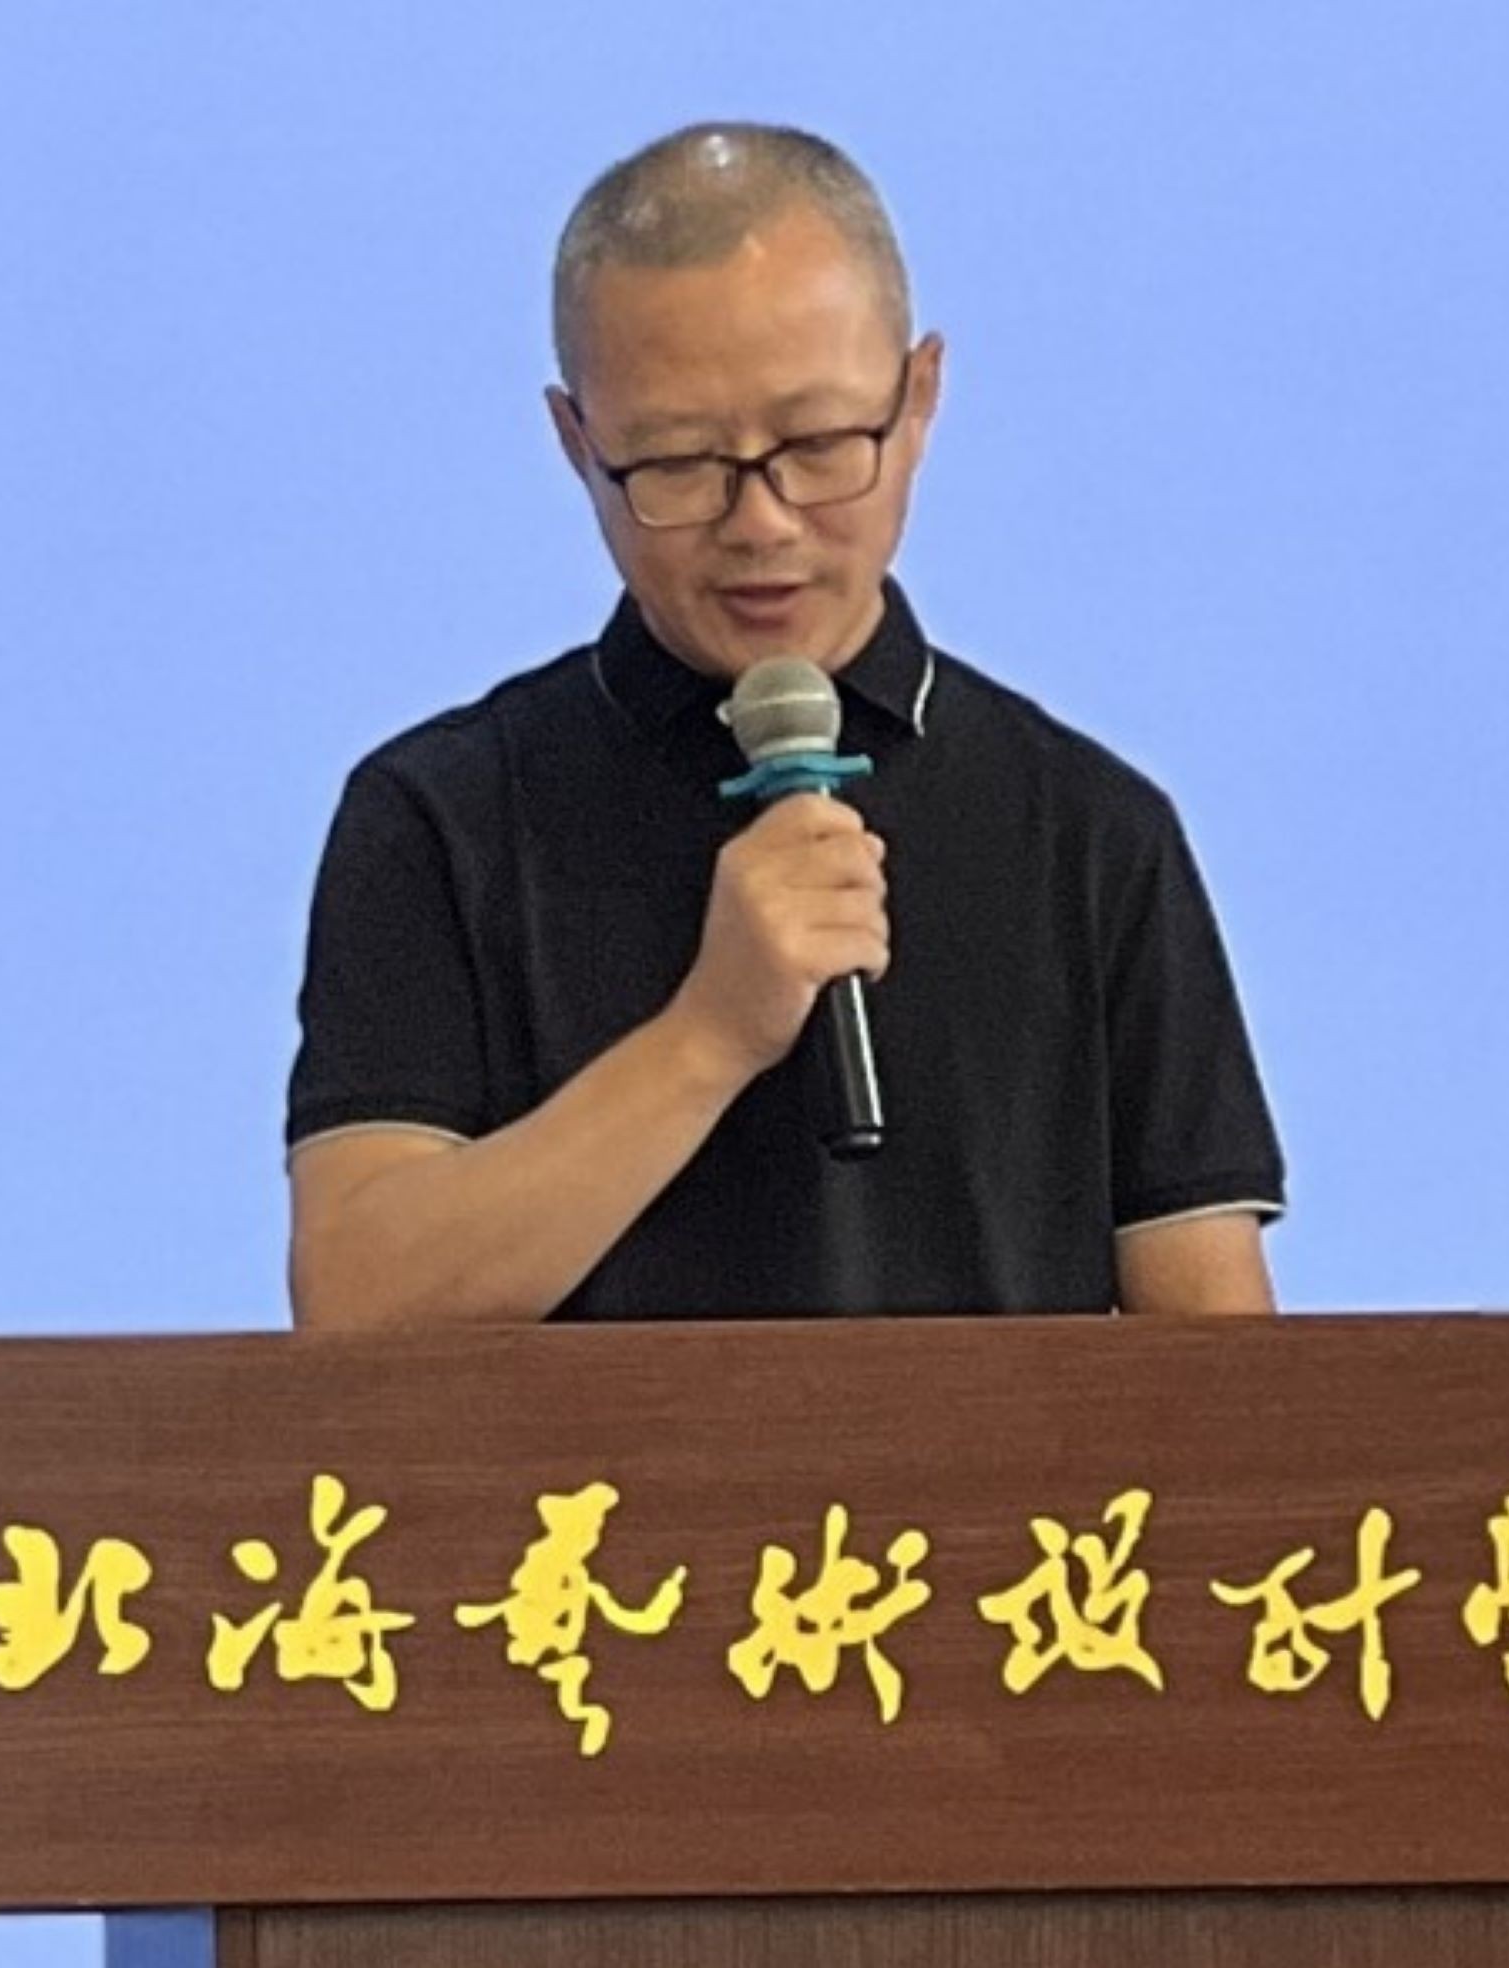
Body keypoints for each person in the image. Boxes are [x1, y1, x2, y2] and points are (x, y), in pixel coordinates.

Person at [284, 124, 1284, 1331]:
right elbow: (359, 1304)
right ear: (576, 443)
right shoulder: (441, 819)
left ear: (920, 398)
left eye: (817, 446)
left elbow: (1223, 1377)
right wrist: (709, 1035)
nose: (760, 522)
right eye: (678, 461)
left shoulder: (1091, 831)